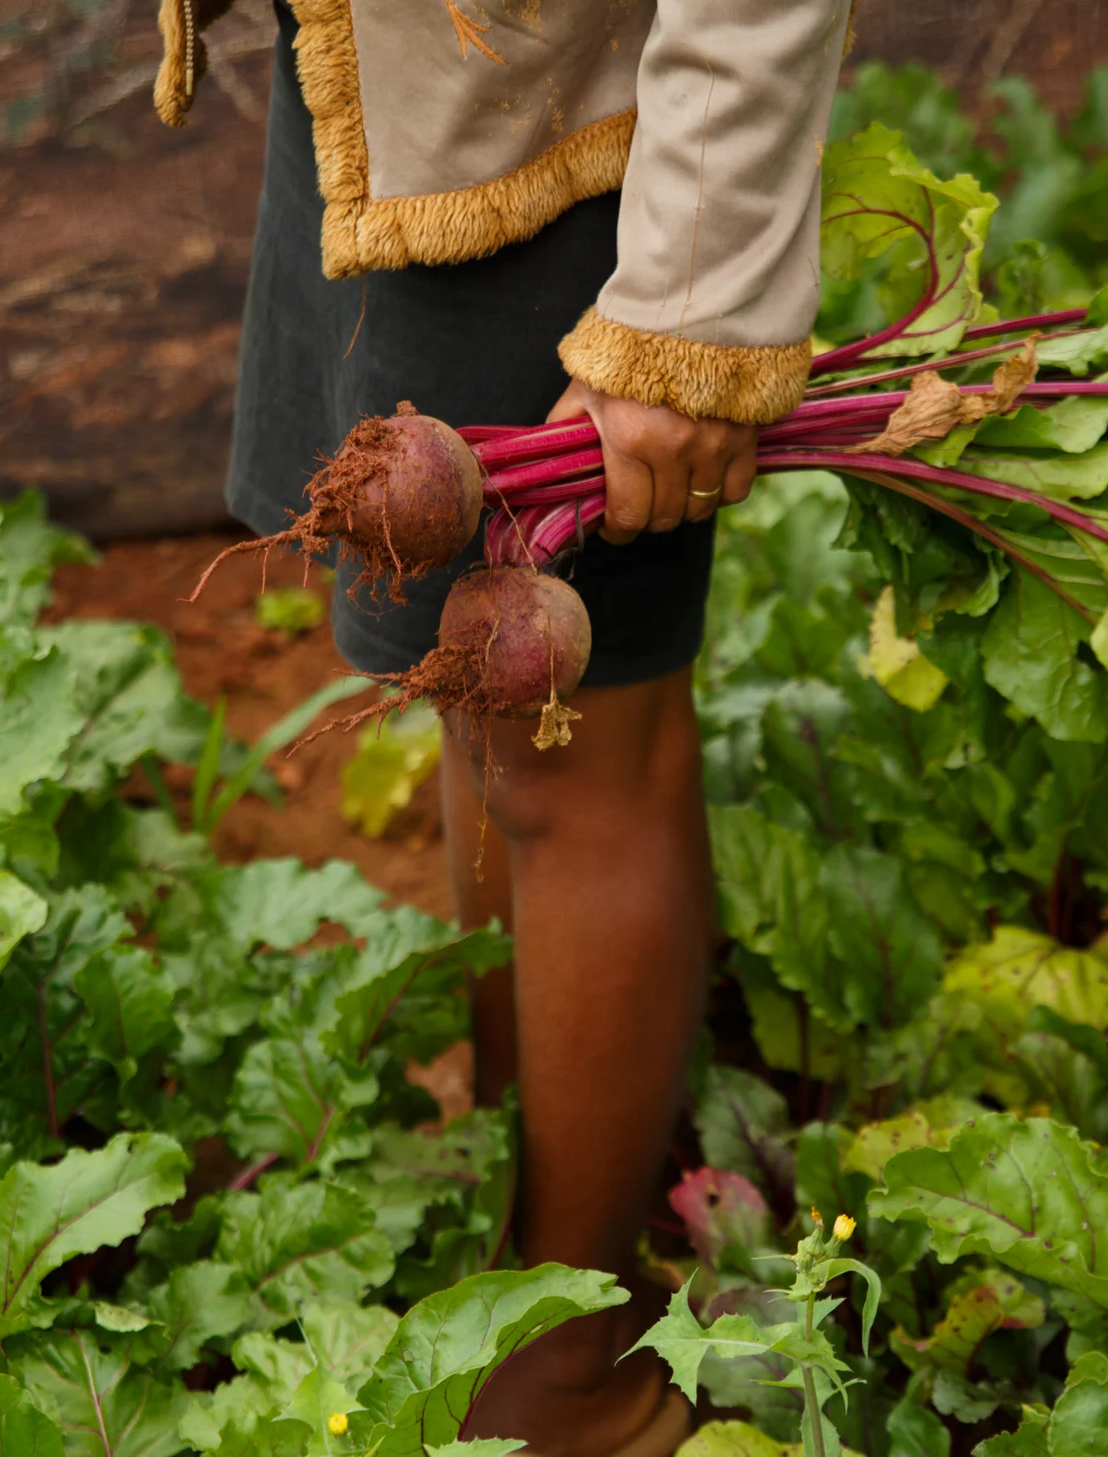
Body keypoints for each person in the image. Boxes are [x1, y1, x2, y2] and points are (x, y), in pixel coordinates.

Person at [160, 2, 850, 1451]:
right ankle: (522, 1229)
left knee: (583, 758)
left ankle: (568, 1364)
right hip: (401, 87)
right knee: (494, 721)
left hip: (572, 124)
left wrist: (689, 300)